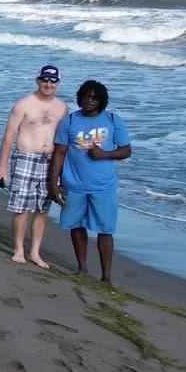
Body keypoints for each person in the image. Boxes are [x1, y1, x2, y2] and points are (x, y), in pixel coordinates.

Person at [48, 79, 132, 283]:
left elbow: (126, 150)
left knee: (105, 230)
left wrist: (104, 154)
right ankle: (82, 268)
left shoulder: (113, 120)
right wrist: (53, 183)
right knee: (76, 226)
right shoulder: (69, 121)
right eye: (86, 96)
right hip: (73, 184)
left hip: (103, 187)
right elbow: (59, 153)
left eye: (94, 97)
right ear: (80, 98)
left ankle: (106, 276)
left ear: (101, 100)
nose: (89, 100)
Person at [0, 64, 68, 268]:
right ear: (38, 80)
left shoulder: (62, 107)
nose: (48, 84)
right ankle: (19, 250)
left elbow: (65, 140)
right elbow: (8, 137)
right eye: (45, 80)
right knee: (21, 208)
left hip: (50, 162)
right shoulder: (24, 104)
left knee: (42, 209)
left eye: (53, 81)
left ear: (58, 83)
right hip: (26, 157)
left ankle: (35, 252)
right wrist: (2, 167)